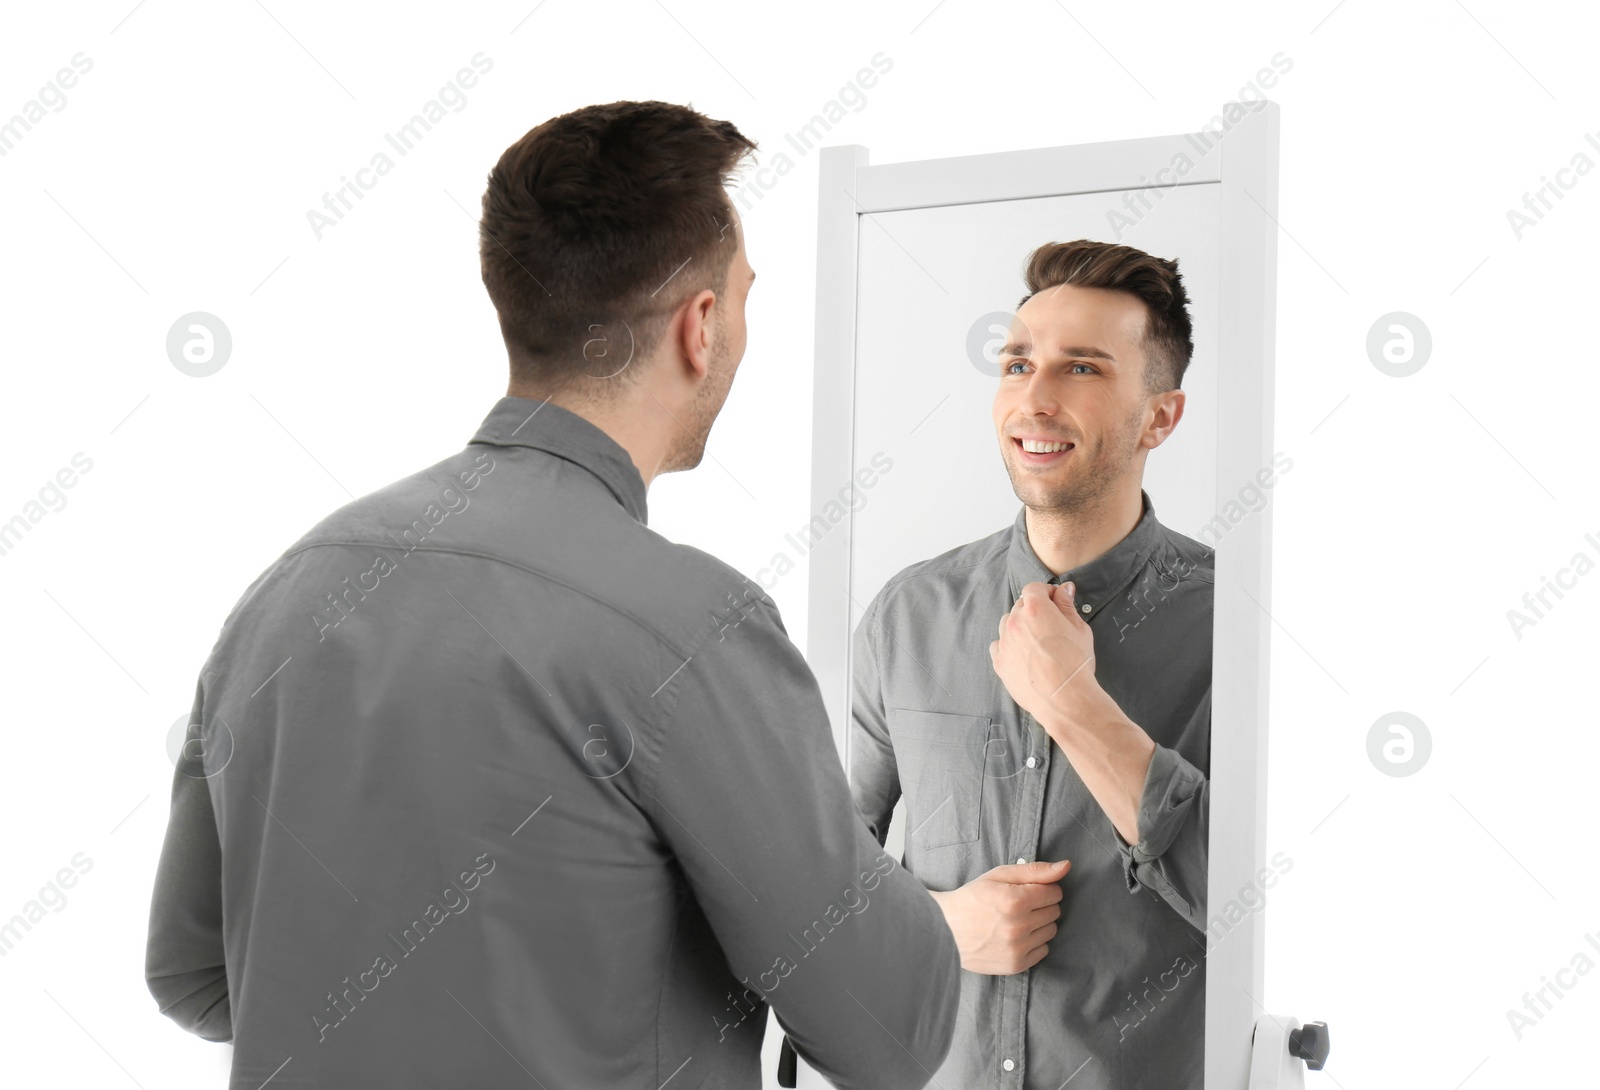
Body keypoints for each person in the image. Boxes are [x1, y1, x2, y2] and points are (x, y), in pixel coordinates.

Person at [145, 100, 960, 1090]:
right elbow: (894, 1031)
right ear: (700, 327)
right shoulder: (692, 629)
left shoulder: (289, 587)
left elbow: (194, 972)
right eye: (742, 296)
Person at [842, 241, 1212, 1089]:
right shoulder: (909, 616)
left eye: (1081, 369)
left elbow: (1259, 904)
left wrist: (1076, 706)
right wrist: (936, 927)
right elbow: (825, 885)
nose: (1034, 400)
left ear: (1161, 417)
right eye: (1017, 364)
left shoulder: (1235, 625)